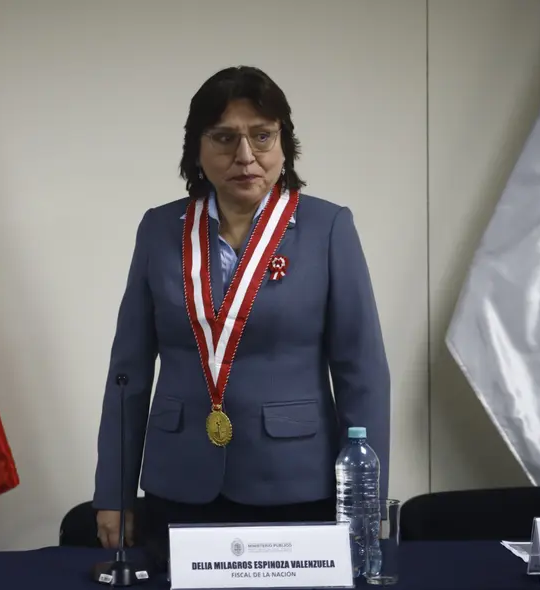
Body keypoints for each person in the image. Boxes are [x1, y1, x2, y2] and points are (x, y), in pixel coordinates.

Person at [92, 66, 391, 560]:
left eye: (262, 136)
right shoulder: (160, 229)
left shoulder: (328, 228)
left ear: (283, 144)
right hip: (180, 481)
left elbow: (363, 374)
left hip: (297, 481)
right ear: (198, 149)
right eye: (225, 138)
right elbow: (128, 372)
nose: (245, 156)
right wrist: (114, 491)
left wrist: (366, 500)